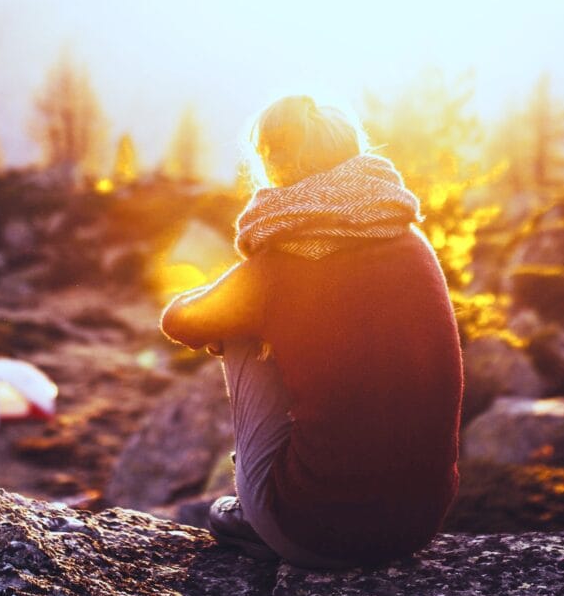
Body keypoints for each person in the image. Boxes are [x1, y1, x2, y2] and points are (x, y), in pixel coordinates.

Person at [160, 95, 463, 568]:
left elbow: (180, 321)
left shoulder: (279, 265)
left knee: (238, 328)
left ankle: (256, 502)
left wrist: (246, 303)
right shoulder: (411, 241)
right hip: (418, 525)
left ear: (272, 164)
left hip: (313, 534)